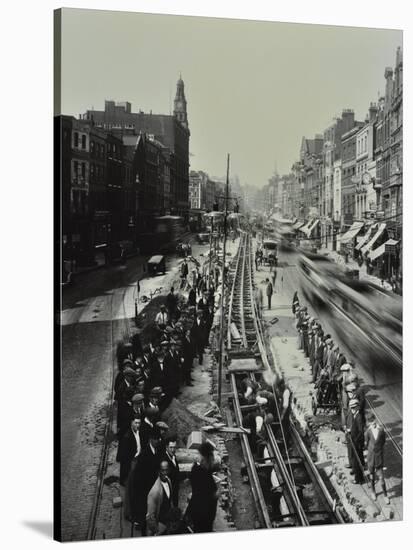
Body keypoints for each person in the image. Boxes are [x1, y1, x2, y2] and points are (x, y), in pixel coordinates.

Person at [130, 428, 163, 534]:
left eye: (159, 439)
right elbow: (138, 478)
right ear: (150, 440)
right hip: (145, 490)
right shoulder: (144, 455)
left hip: (154, 487)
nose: (158, 441)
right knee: (146, 515)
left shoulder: (158, 450)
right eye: (155, 439)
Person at [186, 442, 218, 533]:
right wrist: (216, 493)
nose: (197, 456)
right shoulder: (203, 472)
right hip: (204, 513)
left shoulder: (197, 469)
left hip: (199, 510)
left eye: (199, 454)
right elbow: (210, 494)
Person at [365, 413, 390, 504]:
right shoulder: (367, 432)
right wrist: (372, 450)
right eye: (370, 421)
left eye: (373, 420)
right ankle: (373, 492)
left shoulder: (381, 430)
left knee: (381, 477)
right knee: (372, 476)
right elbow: (366, 444)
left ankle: (385, 495)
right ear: (368, 422)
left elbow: (383, 441)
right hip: (371, 458)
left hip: (379, 457)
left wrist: (379, 450)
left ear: (375, 419)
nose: (372, 423)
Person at [146, 460, 173, 536]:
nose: (165, 473)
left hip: (168, 523)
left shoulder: (168, 480)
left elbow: (170, 501)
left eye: (167, 470)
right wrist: (156, 530)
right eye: (163, 470)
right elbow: (150, 517)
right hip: (160, 525)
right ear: (159, 471)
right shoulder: (155, 491)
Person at [118, 415, 142, 486]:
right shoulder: (127, 436)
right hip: (131, 461)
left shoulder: (138, 432)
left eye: (139, 423)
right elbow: (125, 457)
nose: (138, 425)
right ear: (132, 423)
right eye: (136, 423)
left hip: (137, 459)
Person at [346, 399, 365, 484]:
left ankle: (358, 479)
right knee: (356, 460)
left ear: (357, 407)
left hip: (356, 443)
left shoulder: (359, 417)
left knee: (356, 461)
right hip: (354, 440)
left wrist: (355, 441)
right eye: (351, 408)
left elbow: (361, 432)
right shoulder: (355, 415)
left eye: (354, 408)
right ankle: (359, 476)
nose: (352, 410)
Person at [162, 436, 180, 507]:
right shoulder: (165, 461)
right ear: (166, 447)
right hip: (169, 490)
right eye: (171, 447)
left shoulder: (173, 457)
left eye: (174, 447)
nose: (173, 450)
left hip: (175, 488)